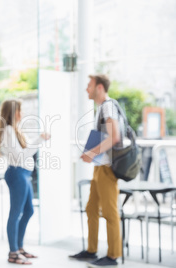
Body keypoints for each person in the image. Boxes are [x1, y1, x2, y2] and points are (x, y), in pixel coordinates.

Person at [69, 74, 125, 267]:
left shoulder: (108, 106)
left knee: (110, 213)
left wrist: (91, 153)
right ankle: (91, 251)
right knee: (91, 208)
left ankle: (113, 256)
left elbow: (114, 137)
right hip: (100, 167)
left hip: (107, 168)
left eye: (89, 86)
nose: (86, 89)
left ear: (99, 88)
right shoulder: (102, 108)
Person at [0, 99, 50, 265]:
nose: (23, 113)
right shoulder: (8, 132)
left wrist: (38, 140)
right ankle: (13, 253)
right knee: (16, 213)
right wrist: (40, 140)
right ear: (13, 112)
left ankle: (18, 248)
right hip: (17, 174)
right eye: (20, 110)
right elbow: (21, 156)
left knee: (28, 211)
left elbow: (24, 151)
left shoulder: (15, 130)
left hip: (24, 174)